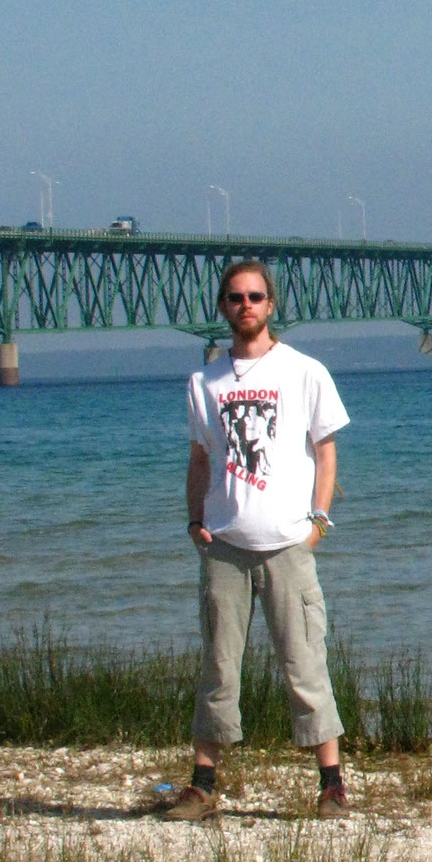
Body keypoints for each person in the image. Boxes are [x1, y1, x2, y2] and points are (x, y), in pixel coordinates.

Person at [164, 259, 351, 821]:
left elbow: (326, 451)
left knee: (305, 664)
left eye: (255, 297)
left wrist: (318, 522)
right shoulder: (203, 382)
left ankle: (332, 785)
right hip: (224, 545)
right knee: (219, 667)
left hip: (288, 545)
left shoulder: (304, 371)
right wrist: (194, 517)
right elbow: (201, 457)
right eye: (235, 297)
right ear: (223, 306)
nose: (245, 306)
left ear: (271, 305)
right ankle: (202, 785)